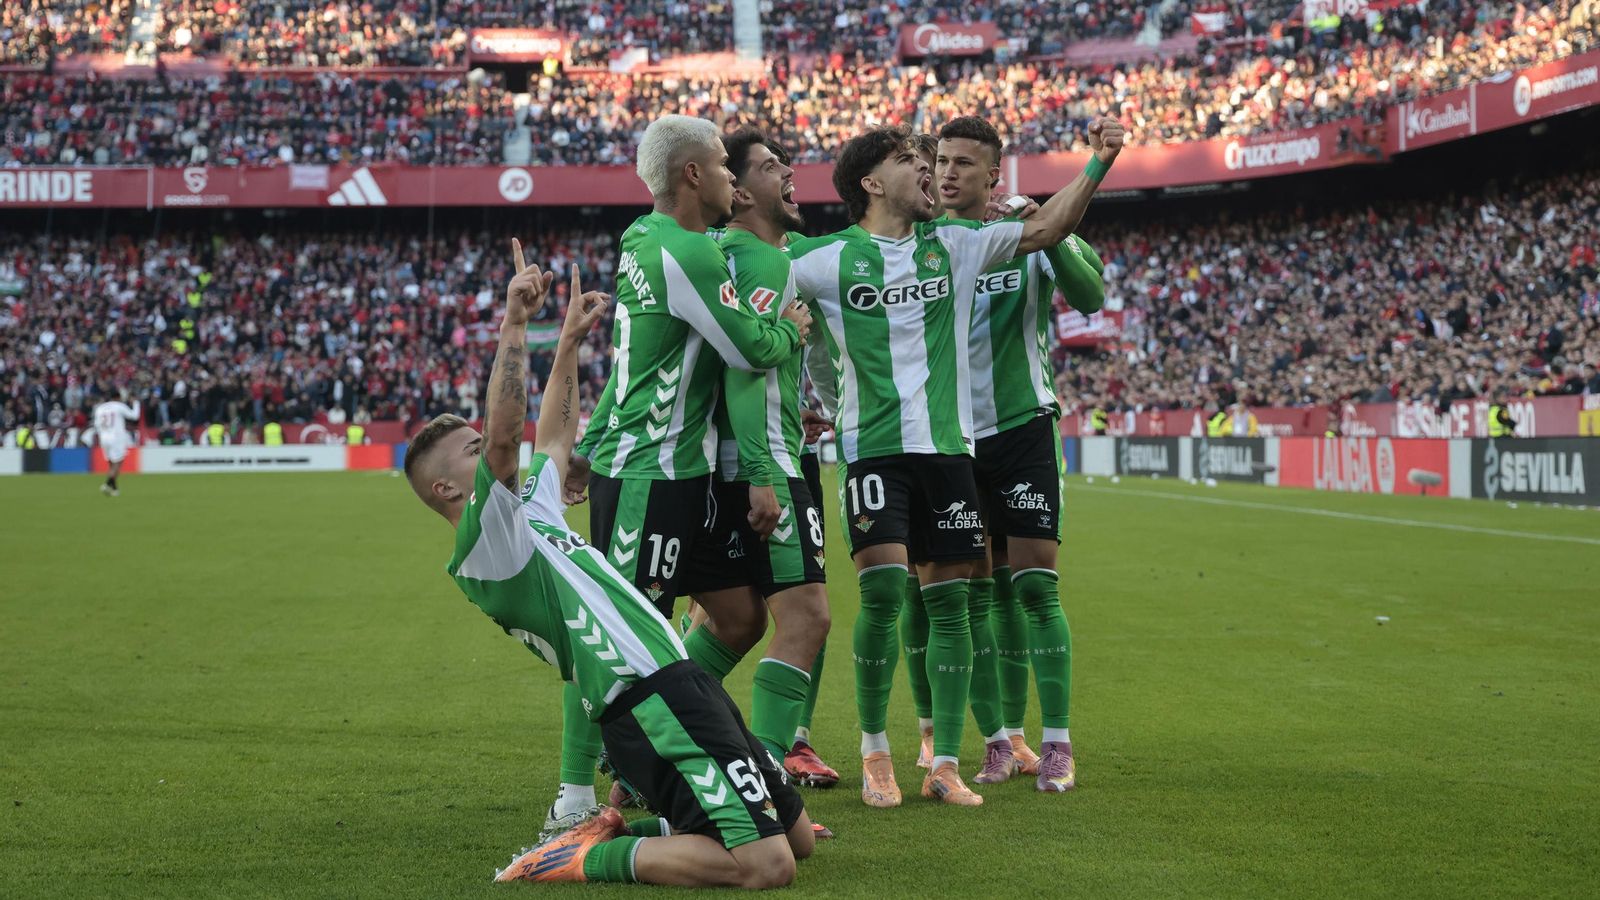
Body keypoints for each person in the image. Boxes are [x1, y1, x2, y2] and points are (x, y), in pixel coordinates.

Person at [402, 247, 814, 887]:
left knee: (801, 840)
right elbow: (509, 434)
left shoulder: (527, 512)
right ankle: (583, 859)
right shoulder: (486, 548)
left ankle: (619, 829)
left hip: (679, 676)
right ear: (447, 493)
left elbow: (554, 438)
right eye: (474, 453)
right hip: (644, 700)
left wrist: (566, 343)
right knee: (767, 867)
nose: (491, 456)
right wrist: (516, 325)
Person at [787, 117, 1125, 808]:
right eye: (917, 159)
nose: (933, 170)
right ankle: (882, 748)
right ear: (873, 182)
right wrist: (811, 398)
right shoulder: (820, 260)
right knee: (888, 596)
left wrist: (1099, 161)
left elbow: (1053, 240)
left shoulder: (961, 246)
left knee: (971, 598)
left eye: (944, 160)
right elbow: (778, 318)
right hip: (877, 449)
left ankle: (956, 758)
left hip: (960, 447)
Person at [560, 114, 812, 826]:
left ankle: (660, 749)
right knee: (617, 635)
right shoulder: (688, 251)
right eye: (725, 167)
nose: (736, 176)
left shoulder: (646, 237)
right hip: (649, 471)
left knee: (736, 617)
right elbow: (749, 350)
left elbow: (639, 354)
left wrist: (592, 434)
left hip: (683, 472)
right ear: (692, 175)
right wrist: (791, 329)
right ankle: (576, 798)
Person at [906, 114, 1102, 791]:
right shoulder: (919, 242)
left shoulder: (1028, 233)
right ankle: (996, 739)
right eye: (943, 160)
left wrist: (1053, 231)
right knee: (973, 597)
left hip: (1020, 427)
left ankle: (1057, 743)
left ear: (994, 173)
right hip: (950, 439)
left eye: (966, 162)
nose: (950, 172)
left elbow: (1092, 296)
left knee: (1036, 587)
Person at [93, 394, 140, 497]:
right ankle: (106, 484)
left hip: (104, 437)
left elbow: (96, 425)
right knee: (118, 463)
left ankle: (114, 489)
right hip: (116, 437)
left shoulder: (100, 408)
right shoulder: (119, 406)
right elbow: (134, 416)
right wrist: (136, 403)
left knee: (111, 464)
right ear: (118, 397)